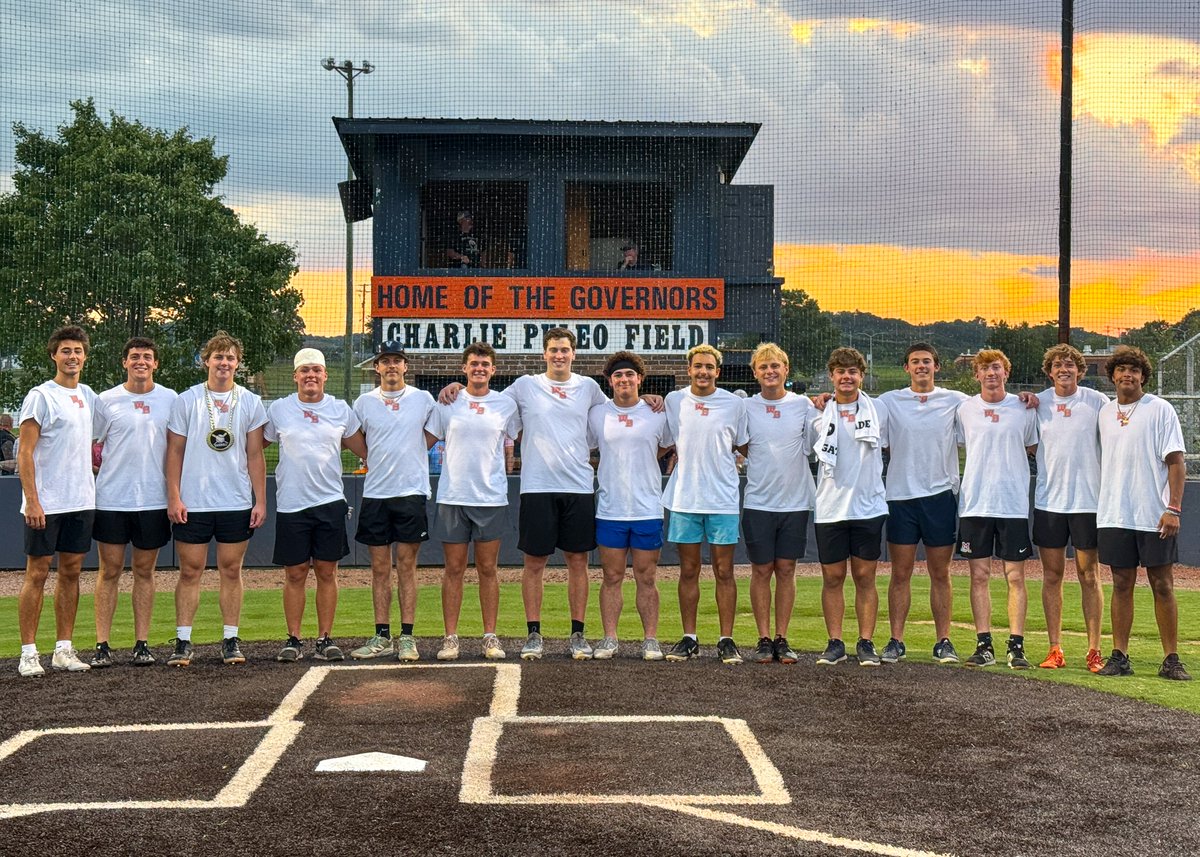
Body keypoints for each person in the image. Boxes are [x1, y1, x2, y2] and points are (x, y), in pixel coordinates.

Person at [165, 331, 268, 667]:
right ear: (206, 360)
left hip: (235, 501)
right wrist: (174, 496)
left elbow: (255, 455)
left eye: (230, 357)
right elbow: (174, 451)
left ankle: (230, 639)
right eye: (218, 357)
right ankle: (183, 641)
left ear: (238, 363)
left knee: (231, 570)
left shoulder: (250, 401)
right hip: (193, 502)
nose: (224, 363)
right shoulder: (187, 400)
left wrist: (260, 500)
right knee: (190, 571)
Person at [1095, 346, 1191, 681]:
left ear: (1143, 376)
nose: (1127, 375)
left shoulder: (1160, 409)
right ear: (1112, 376)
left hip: (1154, 514)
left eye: (1134, 370)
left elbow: (1176, 462)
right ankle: (1119, 656)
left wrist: (1173, 508)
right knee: (1121, 583)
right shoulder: (1104, 413)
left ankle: (1171, 659)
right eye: (1121, 369)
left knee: (1162, 584)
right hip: (1114, 513)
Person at [266, 348, 367, 663]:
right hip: (292, 503)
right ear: (295, 376)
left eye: (316, 370)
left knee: (327, 571)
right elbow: (255, 447)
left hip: (329, 502)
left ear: (325, 375)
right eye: (305, 370)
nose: (310, 375)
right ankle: (293, 639)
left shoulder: (340, 409)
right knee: (295, 573)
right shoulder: (280, 409)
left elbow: (365, 449)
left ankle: (325, 639)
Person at [425, 342, 520, 660]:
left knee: (488, 568)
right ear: (464, 368)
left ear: (493, 370)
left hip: (490, 497)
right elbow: (424, 442)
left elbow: (523, 434)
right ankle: (450, 638)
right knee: (453, 568)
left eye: (485, 364)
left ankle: (490, 636)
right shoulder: (447, 402)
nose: (479, 369)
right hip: (453, 496)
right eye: (474, 364)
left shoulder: (505, 404)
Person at [876, 344, 968, 665]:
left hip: (940, 497)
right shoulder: (888, 401)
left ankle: (944, 641)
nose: (921, 366)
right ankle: (896, 641)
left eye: (927, 361)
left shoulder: (956, 400)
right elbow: (853, 405)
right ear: (906, 368)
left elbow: (991, 405)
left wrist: (1026, 399)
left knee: (940, 572)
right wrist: (823, 400)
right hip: (901, 497)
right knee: (900, 572)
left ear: (936, 367)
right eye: (915, 362)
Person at [16, 325, 98, 677]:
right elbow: (25, 452)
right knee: (37, 573)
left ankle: (63, 649)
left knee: (72, 572)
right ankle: (28, 653)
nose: (72, 357)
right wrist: (33, 501)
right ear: (54, 355)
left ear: (85, 356)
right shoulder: (40, 396)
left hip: (81, 500)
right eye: (66, 350)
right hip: (46, 503)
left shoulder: (89, 395)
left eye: (77, 351)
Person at [90, 337, 177, 668]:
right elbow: (91, 445)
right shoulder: (106, 400)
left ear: (156, 363)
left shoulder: (170, 399)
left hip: (153, 499)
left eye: (147, 357)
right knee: (109, 570)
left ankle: (142, 644)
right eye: (135, 356)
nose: (141, 361)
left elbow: (177, 447)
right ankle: (102, 645)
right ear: (124, 362)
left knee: (144, 571)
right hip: (112, 499)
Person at [662, 344, 749, 664]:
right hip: (685, 498)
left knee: (725, 571)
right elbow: (662, 437)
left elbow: (745, 445)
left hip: (723, 499)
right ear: (689, 370)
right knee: (689, 570)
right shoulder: (674, 400)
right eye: (698, 366)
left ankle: (726, 640)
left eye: (709, 367)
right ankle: (690, 637)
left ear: (718, 371)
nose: (703, 371)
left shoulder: (734, 404)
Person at [351, 341, 436, 661]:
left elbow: (432, 435)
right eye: (385, 361)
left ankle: (408, 637)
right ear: (377, 367)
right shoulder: (364, 402)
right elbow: (354, 438)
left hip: (411, 492)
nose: (391, 366)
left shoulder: (422, 399)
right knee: (379, 568)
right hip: (376, 493)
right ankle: (382, 635)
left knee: (407, 566)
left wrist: (411, 451)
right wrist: (374, 456)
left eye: (396, 360)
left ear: (405, 366)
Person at [956, 349, 1039, 669]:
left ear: (1006, 372)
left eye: (996, 367)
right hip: (975, 503)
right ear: (976, 375)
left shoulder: (1024, 408)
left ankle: (1016, 646)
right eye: (984, 368)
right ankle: (984, 644)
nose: (991, 373)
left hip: (1012, 504)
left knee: (1015, 576)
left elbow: (1033, 446)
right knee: (979, 575)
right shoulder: (964, 409)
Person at [587, 351, 670, 661]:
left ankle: (650, 639)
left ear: (640, 379)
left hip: (647, 508)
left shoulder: (657, 412)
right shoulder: (597, 414)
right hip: (611, 509)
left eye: (629, 375)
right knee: (612, 576)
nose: (624, 379)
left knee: (647, 577)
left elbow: (666, 445)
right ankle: (610, 638)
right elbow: (586, 445)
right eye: (618, 375)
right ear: (610, 381)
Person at [810, 347, 889, 667]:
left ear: (861, 375)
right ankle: (835, 642)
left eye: (853, 371)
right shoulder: (817, 412)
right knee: (832, 578)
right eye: (841, 372)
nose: (847, 377)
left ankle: (866, 642)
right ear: (831, 376)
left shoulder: (879, 409)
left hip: (868, 507)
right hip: (830, 508)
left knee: (865, 577)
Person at [1032, 344, 1108, 672]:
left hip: (1087, 502)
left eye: (1070, 364)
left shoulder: (1097, 402)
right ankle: (1055, 649)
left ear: (1080, 370)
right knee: (1052, 575)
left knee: (1089, 575)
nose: (1064, 369)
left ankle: (1094, 651)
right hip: (1049, 502)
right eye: (1058, 365)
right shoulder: (1037, 403)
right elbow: (1029, 443)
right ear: (1049, 372)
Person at [739, 343, 816, 665]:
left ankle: (782, 637)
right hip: (758, 501)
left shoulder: (804, 405)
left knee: (786, 569)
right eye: (763, 367)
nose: (770, 371)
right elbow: (741, 444)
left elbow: (812, 445)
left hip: (795, 502)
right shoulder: (745, 407)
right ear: (755, 373)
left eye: (775, 366)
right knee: (761, 570)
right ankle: (763, 638)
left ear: (786, 369)